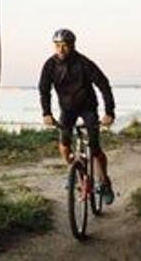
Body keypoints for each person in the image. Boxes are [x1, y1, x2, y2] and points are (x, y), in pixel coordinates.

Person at [39, 28, 117, 204]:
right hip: (67, 109)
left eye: (64, 45)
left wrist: (109, 112)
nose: (60, 49)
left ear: (72, 45)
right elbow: (44, 90)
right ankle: (73, 169)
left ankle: (104, 182)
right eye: (57, 45)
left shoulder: (84, 63)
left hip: (88, 107)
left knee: (95, 147)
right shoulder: (50, 65)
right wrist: (47, 113)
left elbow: (103, 85)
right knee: (64, 145)